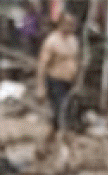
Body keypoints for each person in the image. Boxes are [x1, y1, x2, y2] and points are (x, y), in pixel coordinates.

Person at [36, 10, 84, 139]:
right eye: (69, 23)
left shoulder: (74, 40)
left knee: (62, 117)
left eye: (73, 23)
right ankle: (66, 148)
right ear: (61, 24)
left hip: (70, 82)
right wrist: (40, 88)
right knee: (63, 115)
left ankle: (47, 144)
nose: (72, 26)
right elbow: (42, 65)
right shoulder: (52, 41)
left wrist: (78, 82)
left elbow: (77, 62)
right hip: (55, 82)